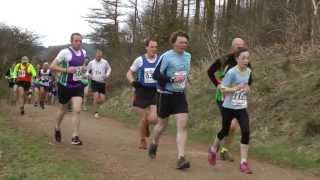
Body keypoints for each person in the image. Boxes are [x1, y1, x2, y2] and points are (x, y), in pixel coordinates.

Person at [149, 31, 191, 170]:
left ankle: (181, 157)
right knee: (162, 126)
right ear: (173, 43)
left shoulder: (188, 56)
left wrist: (186, 80)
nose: (183, 45)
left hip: (179, 95)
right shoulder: (166, 57)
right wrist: (171, 79)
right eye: (180, 42)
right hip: (165, 94)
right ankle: (154, 142)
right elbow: (156, 75)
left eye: (185, 42)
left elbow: (184, 73)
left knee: (183, 125)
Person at [208, 47, 253, 174]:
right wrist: (235, 89)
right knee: (225, 130)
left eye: (247, 58)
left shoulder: (249, 71)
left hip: (241, 107)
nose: (246, 60)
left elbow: (248, 86)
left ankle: (243, 162)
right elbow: (222, 89)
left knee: (246, 131)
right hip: (228, 107)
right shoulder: (232, 72)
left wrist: (247, 90)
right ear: (237, 59)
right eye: (243, 58)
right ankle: (213, 149)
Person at [50, 33, 87, 145]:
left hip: (77, 85)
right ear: (71, 41)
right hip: (64, 85)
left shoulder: (84, 52)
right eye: (76, 41)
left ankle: (75, 136)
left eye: (80, 41)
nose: (79, 43)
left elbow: (81, 67)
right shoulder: (64, 52)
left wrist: (83, 72)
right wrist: (66, 70)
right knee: (63, 110)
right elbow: (52, 66)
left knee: (77, 110)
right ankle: (57, 127)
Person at [126, 38, 159, 150]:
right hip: (141, 91)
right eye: (151, 46)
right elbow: (129, 73)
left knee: (153, 119)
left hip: (155, 91)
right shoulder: (139, 60)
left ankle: (146, 126)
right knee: (143, 117)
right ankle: (142, 140)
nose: (154, 49)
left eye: (155, 47)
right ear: (146, 47)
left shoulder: (160, 60)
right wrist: (133, 82)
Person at [87, 50, 111, 118]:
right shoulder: (91, 63)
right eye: (97, 56)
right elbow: (86, 71)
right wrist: (89, 75)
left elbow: (109, 68)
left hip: (102, 82)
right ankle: (96, 112)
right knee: (96, 96)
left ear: (101, 56)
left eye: (100, 56)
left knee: (103, 99)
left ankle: (94, 104)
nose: (99, 58)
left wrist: (107, 74)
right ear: (95, 55)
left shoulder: (105, 62)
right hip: (94, 81)